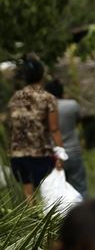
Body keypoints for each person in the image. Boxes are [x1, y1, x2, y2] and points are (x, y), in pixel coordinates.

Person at [4, 56, 63, 199]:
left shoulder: (15, 98)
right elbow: (54, 129)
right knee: (47, 193)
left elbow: (11, 125)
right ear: (42, 75)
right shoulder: (47, 98)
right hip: (41, 152)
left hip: (18, 154)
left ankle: (32, 220)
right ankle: (47, 221)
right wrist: (61, 154)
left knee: (29, 194)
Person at [45, 79, 89, 198]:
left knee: (57, 191)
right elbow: (79, 119)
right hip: (74, 150)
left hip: (54, 154)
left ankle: (63, 216)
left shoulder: (45, 109)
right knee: (80, 187)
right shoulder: (72, 105)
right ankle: (84, 214)